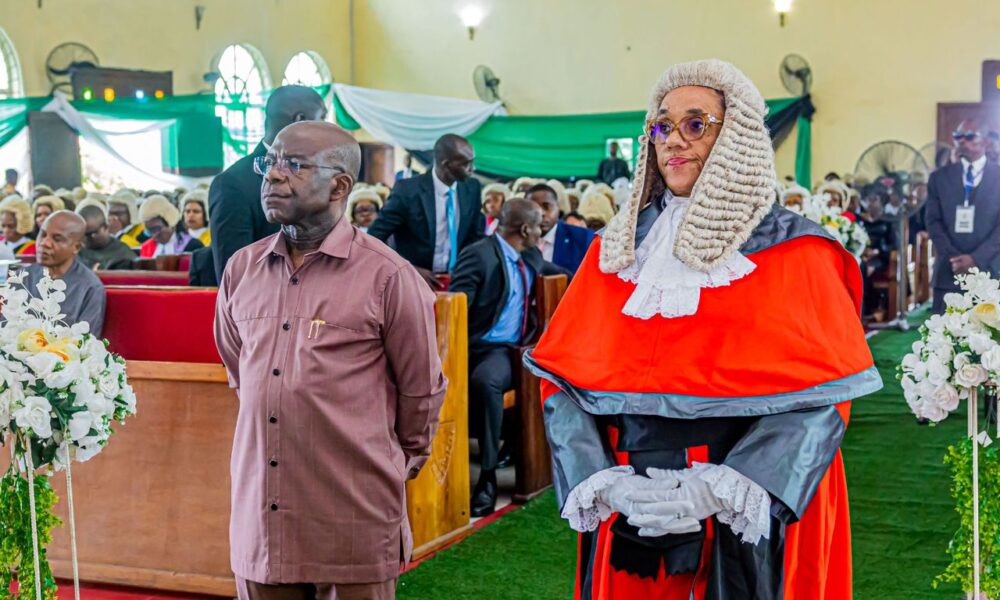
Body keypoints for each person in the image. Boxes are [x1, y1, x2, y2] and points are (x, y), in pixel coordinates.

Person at [523, 59, 881, 598]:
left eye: (695, 124)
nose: (673, 140)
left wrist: (727, 486)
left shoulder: (798, 250)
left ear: (736, 136)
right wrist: (603, 480)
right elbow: (562, 380)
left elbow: (825, 396)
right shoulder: (615, 251)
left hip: (748, 507)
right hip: (632, 505)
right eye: (662, 126)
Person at [215, 120, 445, 600]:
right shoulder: (242, 269)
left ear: (340, 186)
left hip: (352, 508)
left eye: (294, 165)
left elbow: (421, 391)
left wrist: (391, 462)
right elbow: (239, 367)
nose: (273, 175)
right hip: (263, 512)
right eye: (270, 162)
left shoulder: (388, 276)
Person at [449, 198, 564, 517]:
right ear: (525, 229)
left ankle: (510, 455)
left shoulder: (531, 255)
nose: (542, 231)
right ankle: (487, 476)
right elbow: (456, 308)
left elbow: (560, 273)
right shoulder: (478, 255)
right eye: (539, 225)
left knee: (495, 379)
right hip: (478, 346)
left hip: (514, 349)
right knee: (486, 382)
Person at [210, 85, 328, 282]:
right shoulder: (234, 183)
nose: (326, 128)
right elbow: (234, 276)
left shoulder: (317, 173)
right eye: (322, 118)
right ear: (300, 119)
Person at [368, 134, 485, 288]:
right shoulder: (408, 191)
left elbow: (475, 236)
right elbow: (374, 238)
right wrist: (408, 268)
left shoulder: (472, 188)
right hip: (413, 282)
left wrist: (465, 269)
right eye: (466, 164)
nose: (472, 169)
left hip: (457, 281)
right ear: (446, 165)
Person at [926, 118, 1000, 313]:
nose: (962, 141)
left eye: (969, 136)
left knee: (987, 330)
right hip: (949, 271)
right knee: (944, 330)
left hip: (990, 271)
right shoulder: (939, 178)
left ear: (985, 141)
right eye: (957, 136)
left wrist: (975, 259)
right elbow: (933, 222)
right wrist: (955, 258)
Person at [24, 211, 105, 336]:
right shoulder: (24, 276)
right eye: (43, 235)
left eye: (57, 239)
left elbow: (86, 341)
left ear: (76, 247)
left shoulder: (90, 287)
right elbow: (5, 329)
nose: (44, 243)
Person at [526, 183, 595, 274]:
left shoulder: (584, 238)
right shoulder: (517, 240)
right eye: (534, 208)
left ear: (558, 208)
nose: (541, 213)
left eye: (547, 207)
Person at [138, 195, 205, 258]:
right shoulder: (147, 247)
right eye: (149, 231)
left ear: (171, 223)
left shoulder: (193, 246)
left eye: (157, 229)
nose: (154, 235)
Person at [77, 204, 136, 270]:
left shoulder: (122, 255)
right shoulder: (74, 251)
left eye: (92, 234)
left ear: (105, 227)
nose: (86, 239)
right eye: (83, 235)